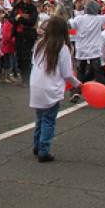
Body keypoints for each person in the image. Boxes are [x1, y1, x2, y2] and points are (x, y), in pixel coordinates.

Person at [29, 16, 82, 162]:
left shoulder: (40, 44)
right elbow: (67, 73)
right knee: (49, 120)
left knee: (40, 118)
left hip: (36, 85)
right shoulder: (62, 48)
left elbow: (33, 62)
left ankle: (37, 145)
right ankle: (43, 151)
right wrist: (78, 84)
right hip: (50, 86)